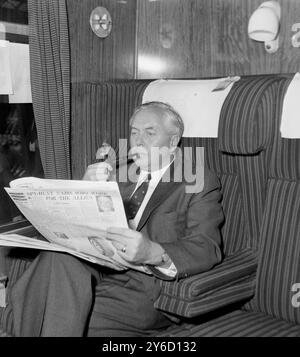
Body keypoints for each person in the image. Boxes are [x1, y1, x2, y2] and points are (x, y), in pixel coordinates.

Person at [9, 101, 224, 337]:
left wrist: (153, 251)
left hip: (144, 286)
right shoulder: (119, 172)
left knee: (48, 309)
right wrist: (83, 189)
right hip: (96, 267)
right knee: (55, 260)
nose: (138, 141)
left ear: (172, 142)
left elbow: (206, 247)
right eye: (134, 133)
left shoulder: (197, 180)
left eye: (149, 133)